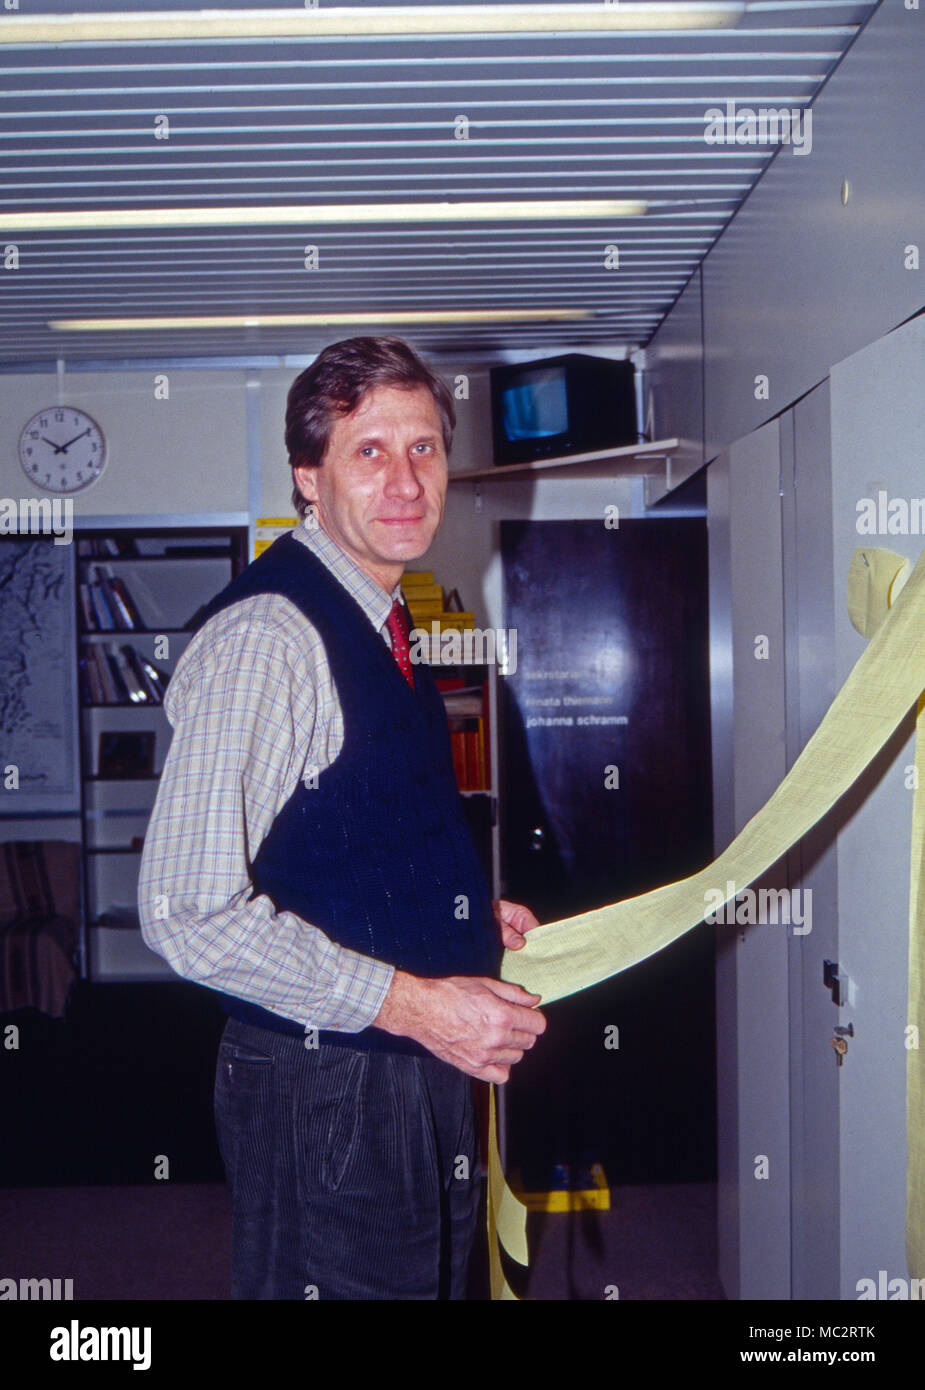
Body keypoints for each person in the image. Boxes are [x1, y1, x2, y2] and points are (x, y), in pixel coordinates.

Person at [138, 335, 546, 1300]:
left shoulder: (381, 619)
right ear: (307, 480)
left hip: (401, 1058)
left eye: (424, 449)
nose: (404, 480)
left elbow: (333, 839)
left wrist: (449, 920)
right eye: (369, 451)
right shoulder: (269, 639)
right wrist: (414, 1002)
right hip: (332, 1083)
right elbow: (185, 914)